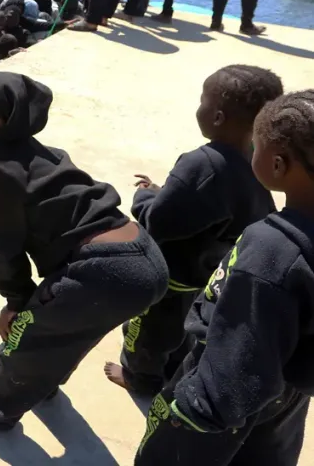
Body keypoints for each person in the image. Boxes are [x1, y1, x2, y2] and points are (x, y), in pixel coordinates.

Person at [0, 72, 168, 430]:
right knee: (67, 332)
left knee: (25, 338)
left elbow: (3, 245)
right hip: (143, 255)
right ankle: (43, 384)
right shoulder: (44, 153)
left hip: (106, 270)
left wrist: (17, 301)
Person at [134, 89, 314, 466]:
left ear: (277, 165)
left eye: (256, 146)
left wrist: (193, 411)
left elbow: (234, 371)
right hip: (288, 389)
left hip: (224, 402)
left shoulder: (271, 248)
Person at [106, 65, 282, 396]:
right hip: (206, 274)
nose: (199, 106)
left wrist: (145, 197)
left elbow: (159, 222)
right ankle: (172, 366)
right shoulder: (255, 161)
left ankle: (139, 377)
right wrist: (165, 192)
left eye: (203, 100)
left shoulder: (202, 164)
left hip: (169, 276)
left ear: (217, 117)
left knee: (145, 332)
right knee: (182, 328)